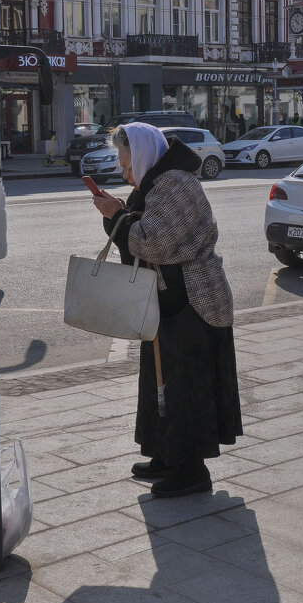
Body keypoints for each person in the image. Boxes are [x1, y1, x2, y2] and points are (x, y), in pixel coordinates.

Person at [91, 123, 243, 498]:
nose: (125, 172)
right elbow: (145, 230)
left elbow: (154, 243)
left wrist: (116, 216)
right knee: (160, 381)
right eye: (122, 166)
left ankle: (191, 470)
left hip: (195, 303)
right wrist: (121, 211)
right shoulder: (157, 183)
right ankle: (165, 454)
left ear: (143, 156)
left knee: (185, 386)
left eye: (128, 163)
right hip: (167, 304)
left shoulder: (175, 183)